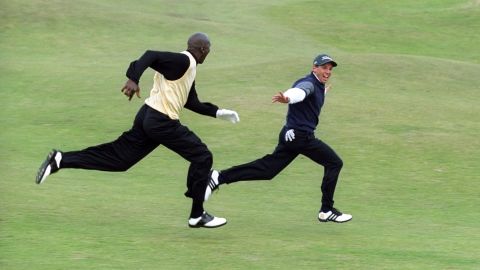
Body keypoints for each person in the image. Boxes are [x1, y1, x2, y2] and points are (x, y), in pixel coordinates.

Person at [36, 32, 239, 229]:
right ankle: (197, 214)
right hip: (161, 121)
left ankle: (60, 159)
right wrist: (133, 78)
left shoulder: (188, 68)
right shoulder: (182, 61)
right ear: (203, 49)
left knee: (119, 160)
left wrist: (218, 112)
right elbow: (151, 54)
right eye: (209, 50)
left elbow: (191, 101)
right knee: (202, 156)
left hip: (148, 117)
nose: (209, 53)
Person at [205, 54, 352, 223]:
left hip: (291, 135)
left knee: (268, 170)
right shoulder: (309, 83)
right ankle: (326, 210)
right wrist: (287, 98)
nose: (328, 71)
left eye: (330, 69)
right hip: (300, 137)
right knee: (334, 162)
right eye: (324, 68)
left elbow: (311, 96)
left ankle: (218, 177)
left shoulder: (318, 86)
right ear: (314, 68)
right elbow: (300, 92)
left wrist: (323, 92)